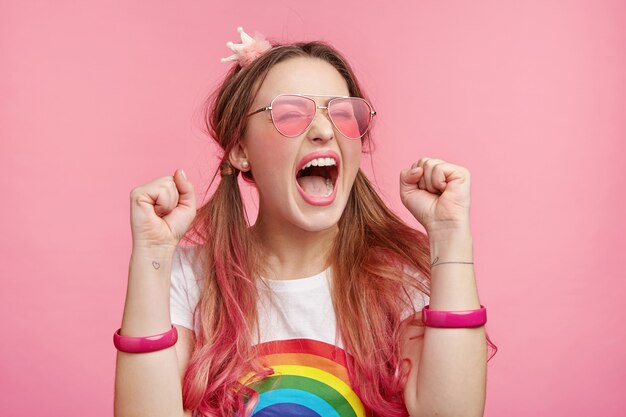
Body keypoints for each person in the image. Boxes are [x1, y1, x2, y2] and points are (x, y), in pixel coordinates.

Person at [113, 27, 497, 417]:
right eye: (291, 113)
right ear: (240, 150)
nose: (325, 130)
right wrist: (151, 256)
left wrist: (449, 238)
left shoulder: (400, 282)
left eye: (343, 113)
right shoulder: (186, 280)